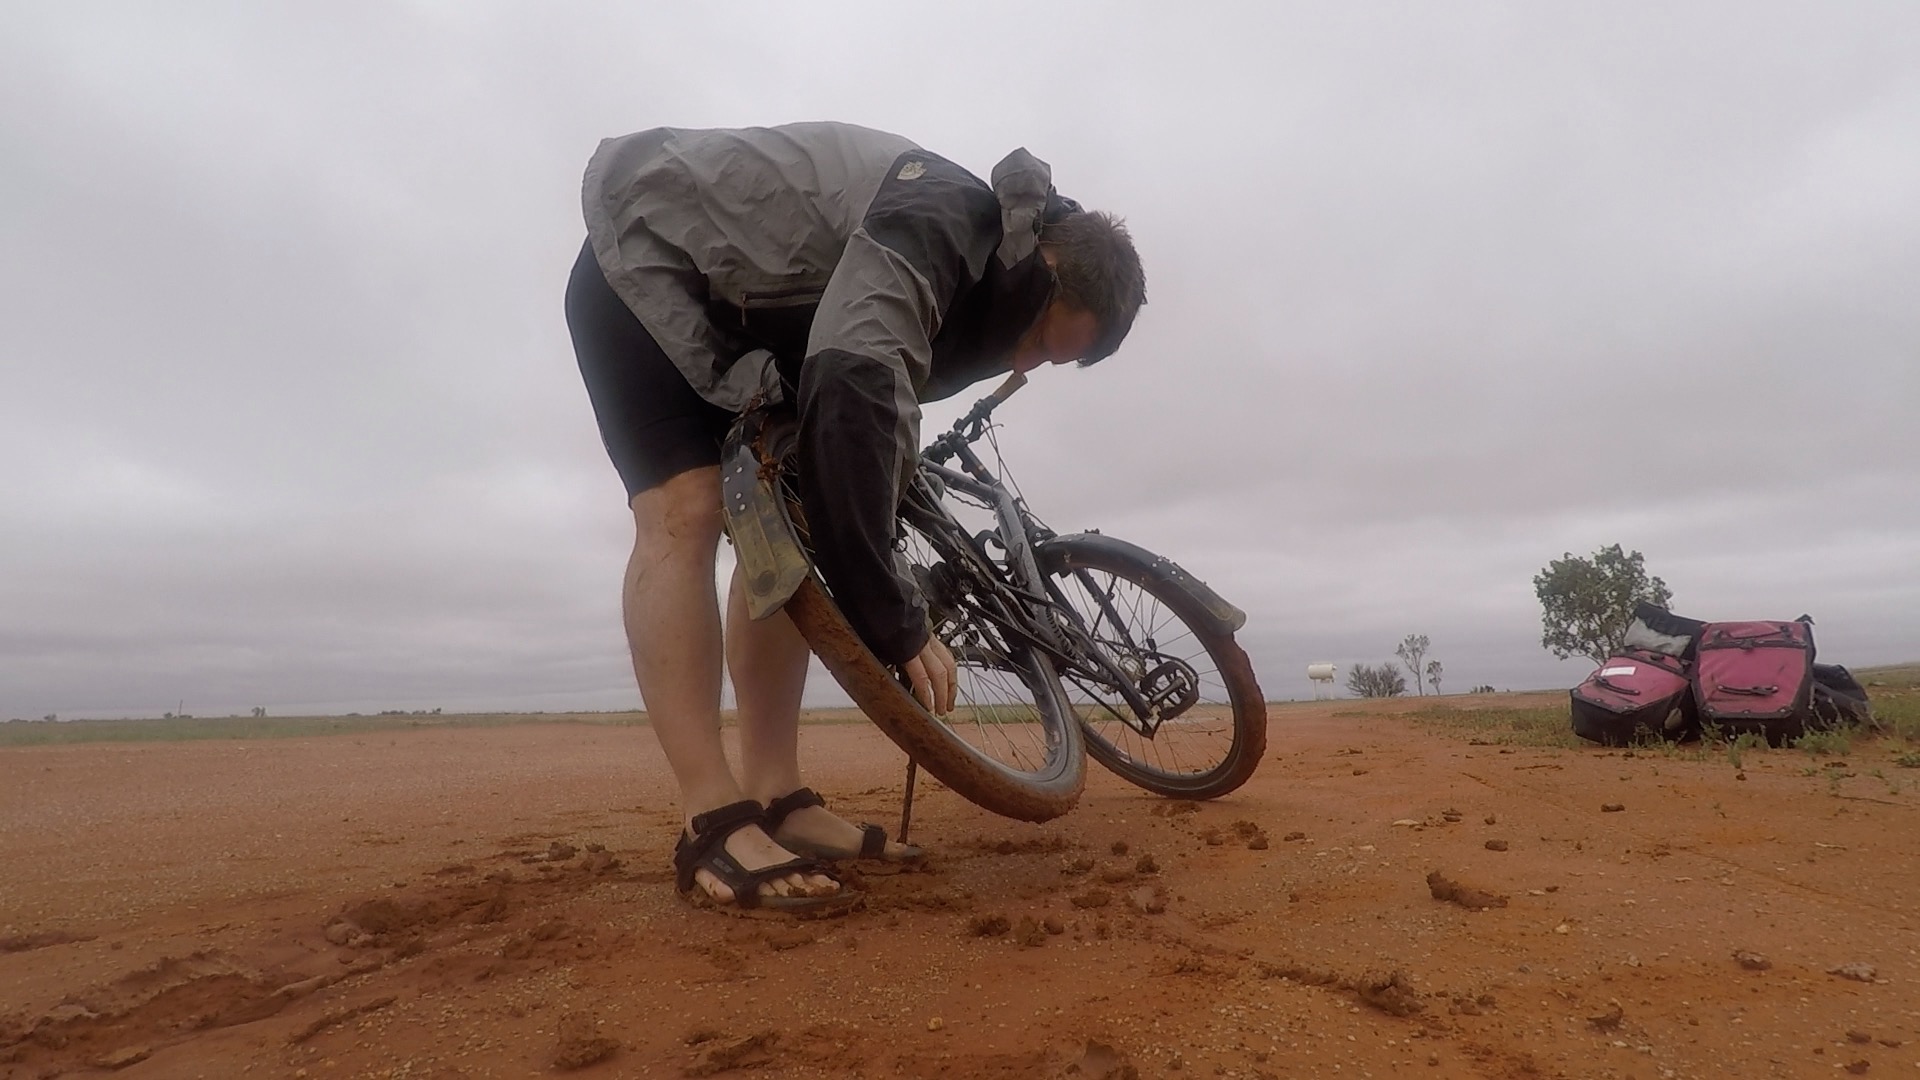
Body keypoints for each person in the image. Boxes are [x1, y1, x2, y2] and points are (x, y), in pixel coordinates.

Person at [564, 122, 1145, 915]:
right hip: (645, 260)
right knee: (685, 508)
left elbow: (883, 410)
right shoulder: (941, 221)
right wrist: (893, 615)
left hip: (747, 327)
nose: (1024, 362)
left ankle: (776, 794)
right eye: (1043, 340)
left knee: (787, 526)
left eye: (1049, 361)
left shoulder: (989, 287)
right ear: (1047, 265)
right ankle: (711, 816)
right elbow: (857, 377)